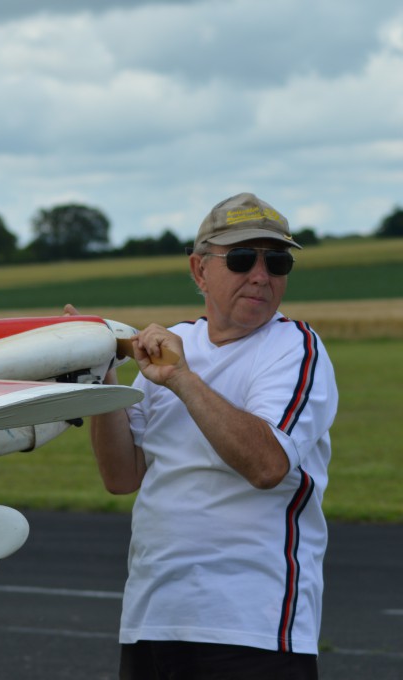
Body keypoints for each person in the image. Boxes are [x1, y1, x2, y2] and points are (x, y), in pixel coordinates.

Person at [75, 192, 338, 679]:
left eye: (277, 262)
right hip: (153, 615)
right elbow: (121, 476)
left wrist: (181, 378)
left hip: (253, 624)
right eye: (242, 258)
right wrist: (102, 375)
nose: (261, 275)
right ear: (199, 270)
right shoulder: (177, 343)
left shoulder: (295, 348)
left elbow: (267, 465)